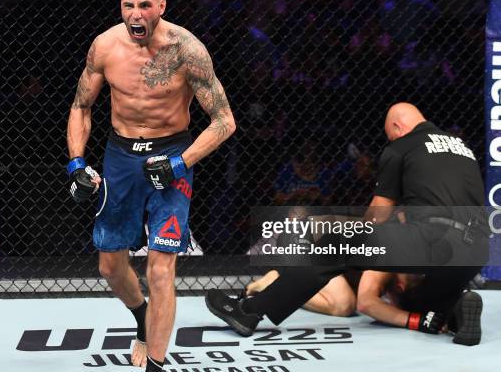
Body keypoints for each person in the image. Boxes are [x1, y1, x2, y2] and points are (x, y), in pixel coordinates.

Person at [206, 102, 486, 346]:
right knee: (423, 300)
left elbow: (379, 215)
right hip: (475, 250)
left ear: (398, 128)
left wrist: (356, 241)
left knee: (333, 245)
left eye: (390, 136)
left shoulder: (401, 147)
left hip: (430, 236)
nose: (390, 141)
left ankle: (250, 311)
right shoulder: (462, 147)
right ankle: (455, 310)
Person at [66, 0, 235, 371]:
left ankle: (156, 363)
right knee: (109, 264)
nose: (136, 14)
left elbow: (224, 121)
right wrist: (76, 162)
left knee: (161, 268)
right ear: (120, 6)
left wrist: (181, 163)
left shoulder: (188, 51)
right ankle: (142, 316)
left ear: (162, 7)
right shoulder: (105, 46)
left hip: (172, 155)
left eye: (145, 6)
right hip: (120, 157)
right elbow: (81, 106)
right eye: (129, 6)